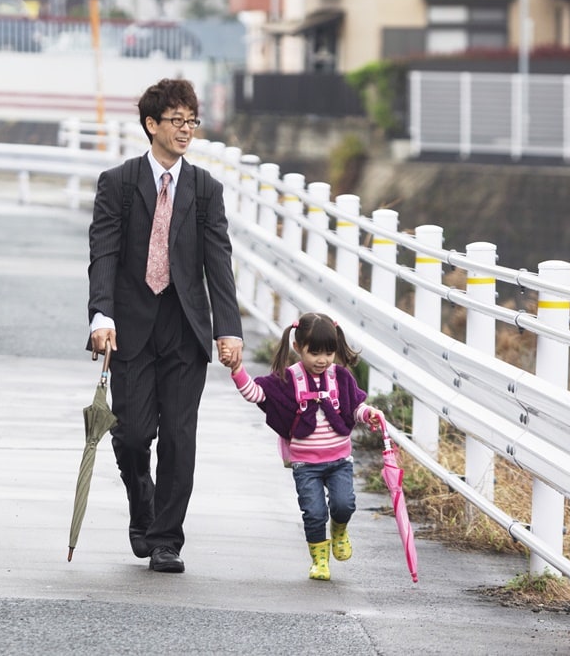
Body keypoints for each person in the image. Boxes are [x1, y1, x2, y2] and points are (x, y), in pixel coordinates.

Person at [87, 78, 244, 574]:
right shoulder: (118, 183)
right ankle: (142, 504)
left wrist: (229, 328)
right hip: (130, 327)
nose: (186, 130)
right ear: (151, 125)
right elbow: (104, 254)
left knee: (179, 435)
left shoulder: (205, 190)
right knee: (132, 436)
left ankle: (166, 539)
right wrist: (101, 314)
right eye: (176, 120)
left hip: (184, 328)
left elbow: (218, 261)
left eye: (191, 121)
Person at [219, 312, 386, 581]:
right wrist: (237, 370)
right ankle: (320, 560)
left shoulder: (341, 377)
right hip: (305, 464)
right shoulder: (286, 380)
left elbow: (355, 406)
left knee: (344, 505)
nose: (323, 360)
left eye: (329, 353)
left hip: (339, 460)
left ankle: (340, 530)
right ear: (298, 348)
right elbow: (255, 393)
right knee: (314, 512)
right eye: (315, 353)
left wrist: (368, 414)